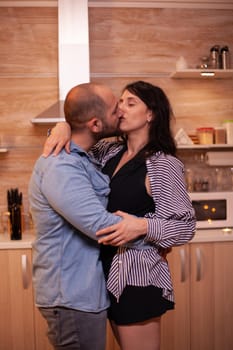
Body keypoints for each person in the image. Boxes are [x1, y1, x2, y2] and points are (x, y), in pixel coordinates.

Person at [42, 80, 196, 350]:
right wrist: (62, 126)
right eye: (120, 102)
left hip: (136, 279)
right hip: (101, 277)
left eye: (131, 102)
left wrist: (143, 226)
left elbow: (185, 226)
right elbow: (79, 137)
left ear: (151, 114)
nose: (121, 108)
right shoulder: (108, 151)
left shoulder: (163, 164)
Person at [28, 82, 140, 350]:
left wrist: (62, 125)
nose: (122, 112)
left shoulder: (82, 157)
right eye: (116, 109)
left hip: (81, 294)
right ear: (95, 124)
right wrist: (150, 231)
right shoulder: (62, 165)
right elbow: (100, 226)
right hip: (71, 297)